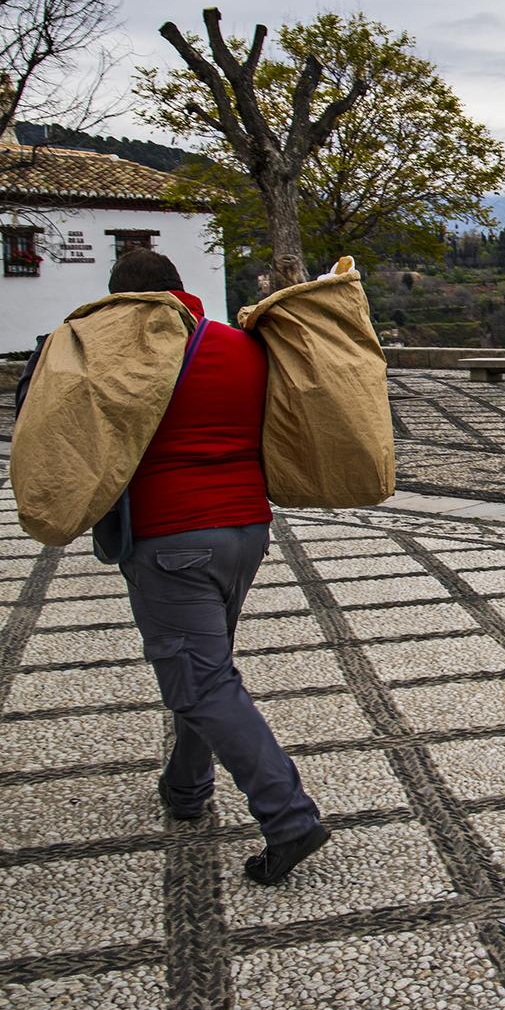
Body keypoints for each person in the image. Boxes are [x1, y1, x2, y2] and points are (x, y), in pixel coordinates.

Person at [105, 248, 329, 884]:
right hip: (246, 530)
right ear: (181, 292)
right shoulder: (240, 345)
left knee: (199, 680)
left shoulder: (125, 358)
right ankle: (185, 787)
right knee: (205, 669)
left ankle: (288, 817)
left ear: (123, 306)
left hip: (172, 538)